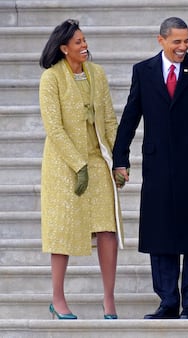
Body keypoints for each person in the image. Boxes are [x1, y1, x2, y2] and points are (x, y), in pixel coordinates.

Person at [112, 17, 188, 320]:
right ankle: (167, 302)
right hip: (158, 165)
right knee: (161, 235)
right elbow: (131, 115)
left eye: (187, 41)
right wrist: (119, 158)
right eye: (177, 42)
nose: (183, 47)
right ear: (160, 40)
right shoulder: (143, 71)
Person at [39, 19, 123, 320]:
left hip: (98, 160)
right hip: (64, 164)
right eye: (78, 42)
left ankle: (109, 300)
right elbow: (54, 128)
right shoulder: (51, 79)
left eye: (85, 40)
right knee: (62, 231)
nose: (84, 45)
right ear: (64, 48)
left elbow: (110, 120)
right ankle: (58, 299)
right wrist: (78, 165)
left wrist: (118, 159)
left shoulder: (97, 74)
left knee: (107, 229)